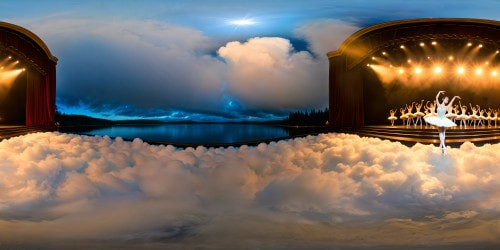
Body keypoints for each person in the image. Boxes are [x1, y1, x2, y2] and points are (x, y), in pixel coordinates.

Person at [424, 91, 460, 155]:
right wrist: (439, 92)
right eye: (446, 99)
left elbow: (451, 102)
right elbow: (436, 97)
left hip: (444, 120)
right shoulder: (438, 104)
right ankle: (444, 146)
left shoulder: (446, 107)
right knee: (441, 132)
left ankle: (441, 146)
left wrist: (454, 97)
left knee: (443, 133)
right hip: (438, 119)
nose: (447, 100)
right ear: (443, 99)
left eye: (448, 100)